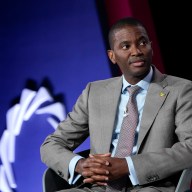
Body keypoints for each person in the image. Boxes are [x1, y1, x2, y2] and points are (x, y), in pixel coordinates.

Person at [40, 17, 192, 192]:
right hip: (98, 188)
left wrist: (128, 166)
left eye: (142, 43)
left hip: (149, 187)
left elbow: (190, 147)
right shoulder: (94, 92)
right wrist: (81, 165)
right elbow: (52, 144)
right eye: (126, 46)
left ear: (151, 47)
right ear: (112, 56)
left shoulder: (180, 90)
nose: (136, 51)